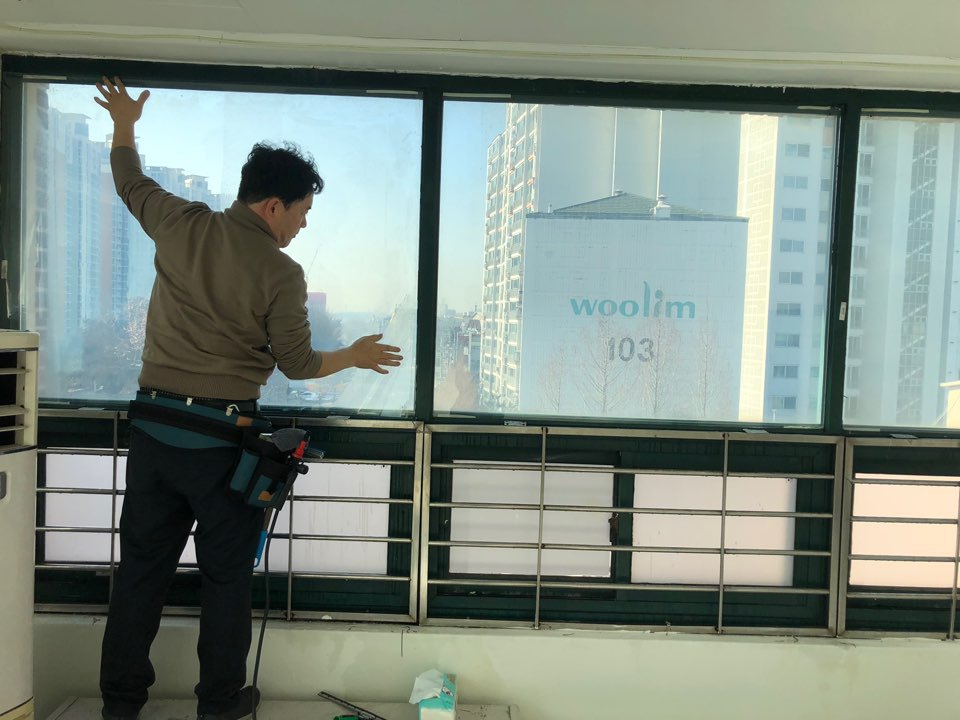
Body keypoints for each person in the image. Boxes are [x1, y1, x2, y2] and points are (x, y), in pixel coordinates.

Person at [94, 76, 402, 720]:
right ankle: (219, 706)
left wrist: (124, 123)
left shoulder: (180, 222)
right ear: (273, 206)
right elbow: (297, 364)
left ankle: (120, 707)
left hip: (152, 432)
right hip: (220, 444)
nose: (302, 226)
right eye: (301, 213)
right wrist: (353, 355)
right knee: (226, 580)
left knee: (141, 574)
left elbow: (129, 181)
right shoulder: (281, 273)